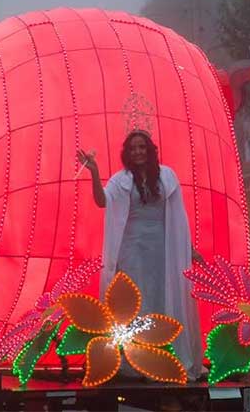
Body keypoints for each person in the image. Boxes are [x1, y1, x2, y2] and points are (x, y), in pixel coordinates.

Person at [77, 130, 203, 380]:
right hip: (132, 250)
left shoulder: (167, 177)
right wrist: (93, 172)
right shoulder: (120, 179)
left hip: (161, 249)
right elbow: (102, 202)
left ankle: (163, 357)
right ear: (127, 152)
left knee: (160, 298)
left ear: (150, 150)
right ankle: (135, 361)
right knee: (135, 302)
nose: (138, 152)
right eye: (133, 148)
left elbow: (177, 217)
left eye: (142, 147)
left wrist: (188, 248)